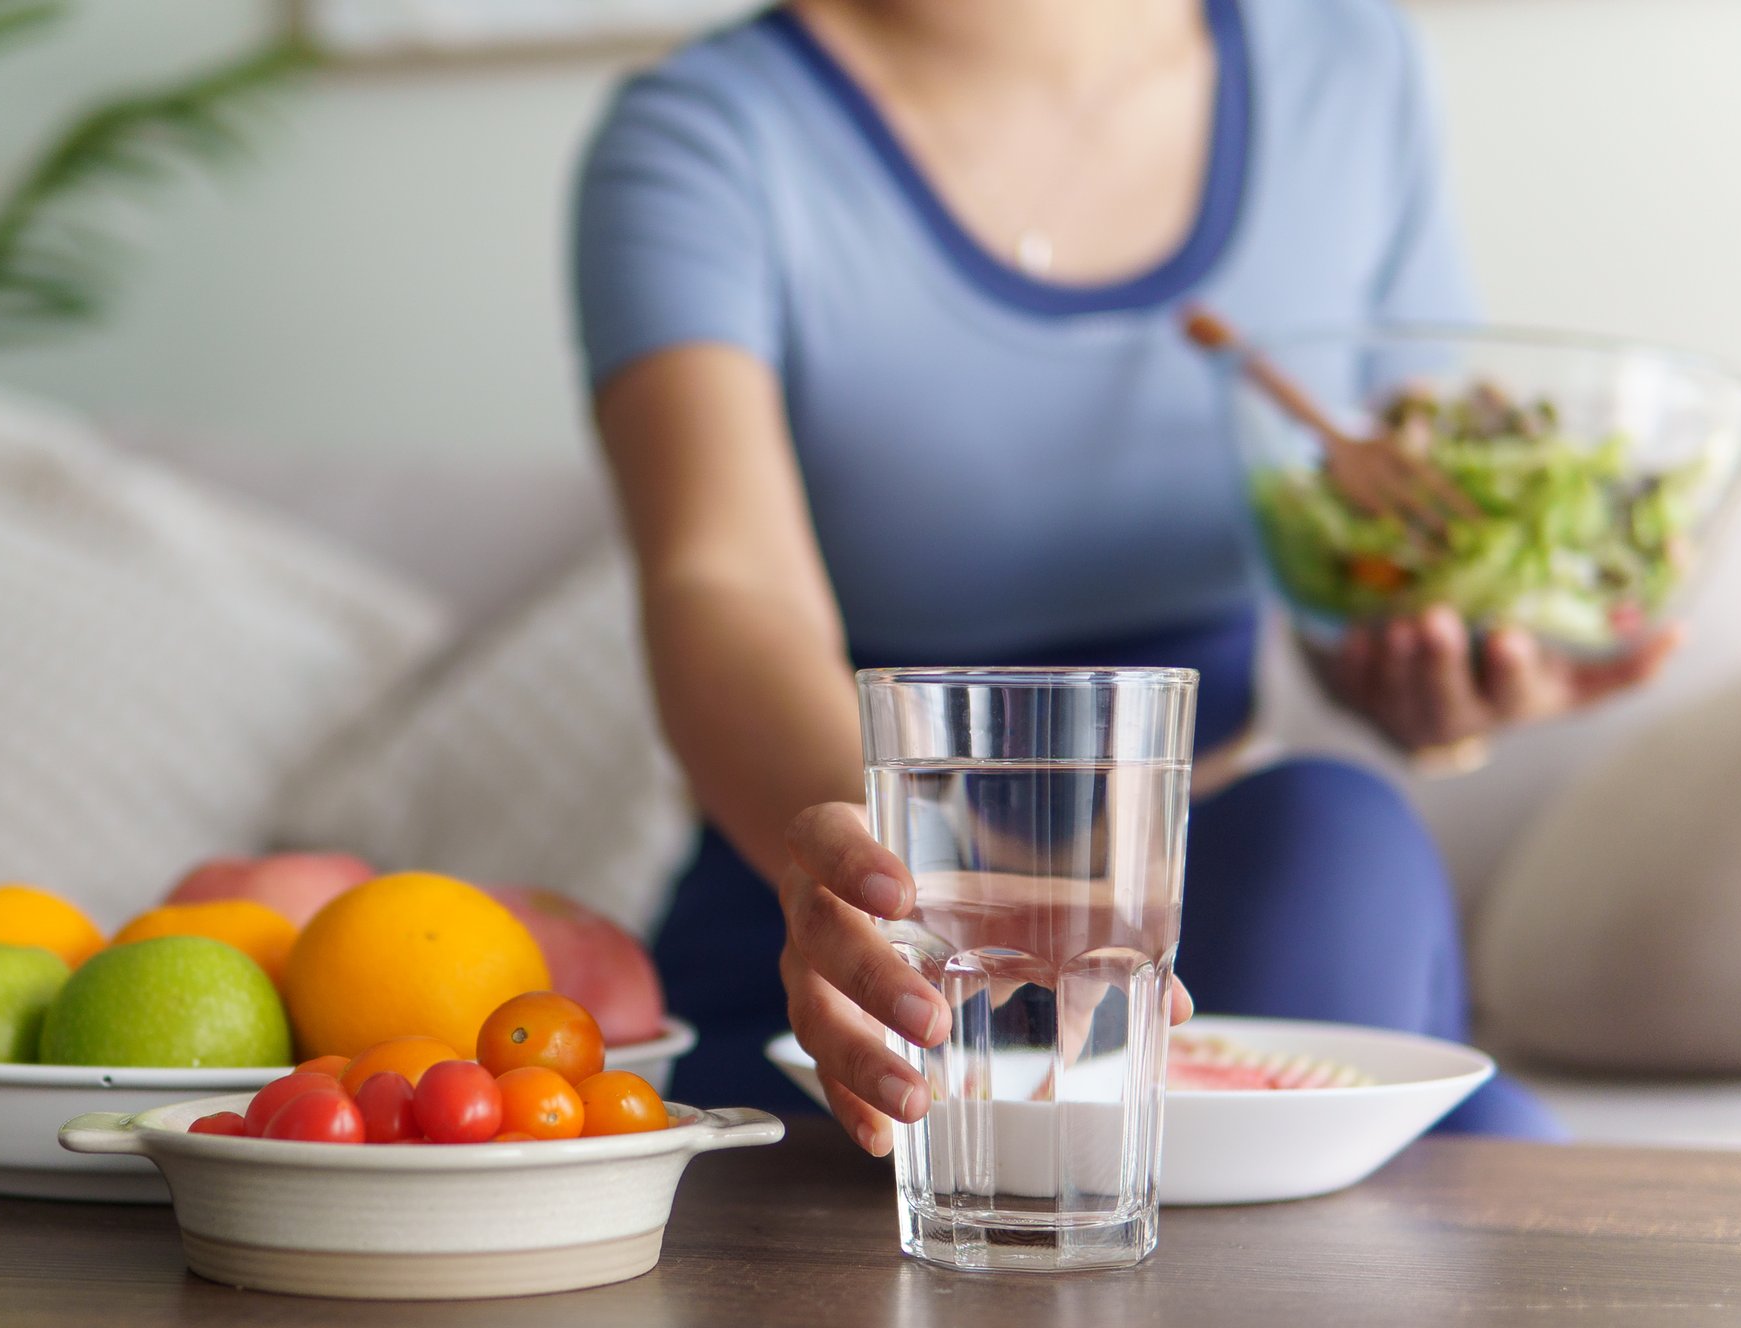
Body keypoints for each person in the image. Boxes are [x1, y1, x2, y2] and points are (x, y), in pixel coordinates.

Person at [571, 0, 1676, 1153]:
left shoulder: (1349, 65)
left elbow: (1378, 538)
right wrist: (917, 891)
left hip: (1220, 920)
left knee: (1334, 844)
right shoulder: (707, 137)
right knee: (1483, 1154)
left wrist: (1436, 680)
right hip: (860, 974)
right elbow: (721, 581)